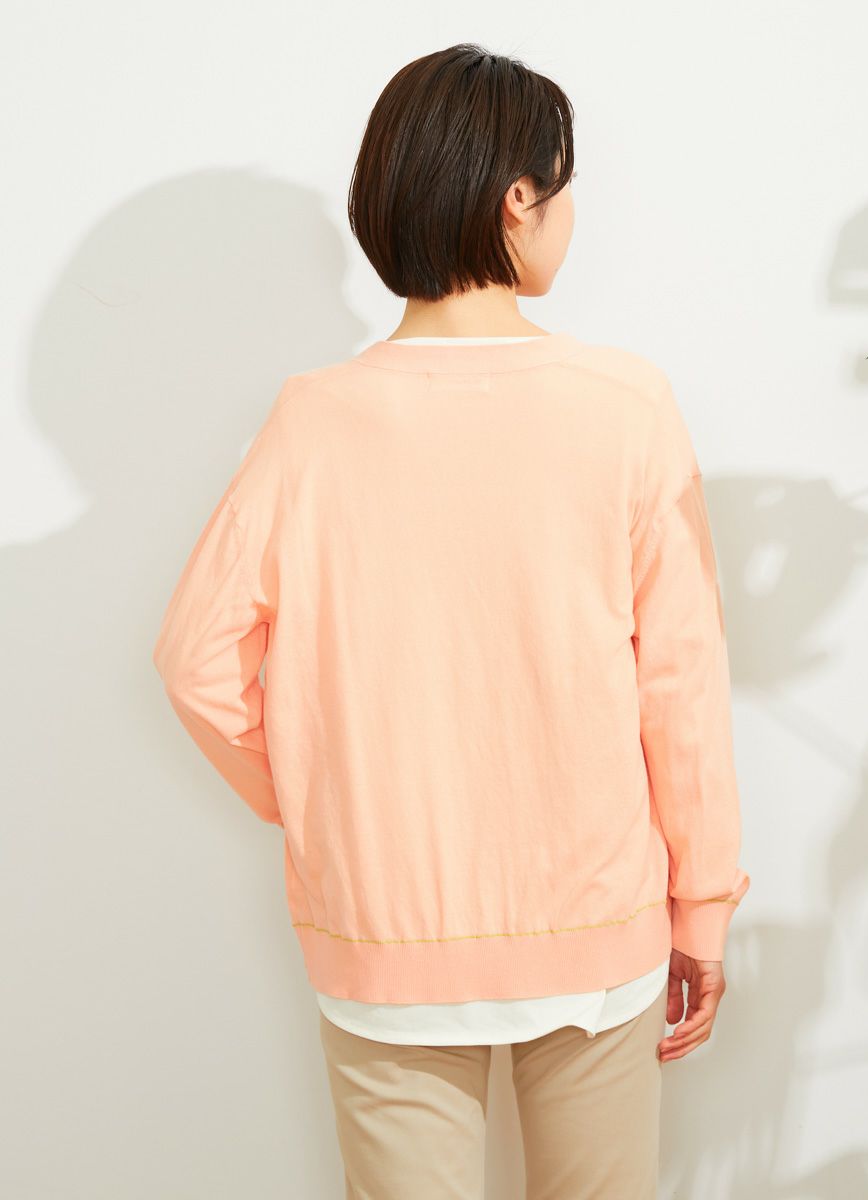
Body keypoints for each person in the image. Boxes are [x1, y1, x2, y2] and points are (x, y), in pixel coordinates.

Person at [151, 41, 750, 1200]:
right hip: (596, 923)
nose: (570, 214)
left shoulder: (312, 421)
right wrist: (704, 911)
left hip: (383, 931)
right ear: (519, 197)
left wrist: (321, 801)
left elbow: (193, 662)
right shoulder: (626, 406)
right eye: (564, 187)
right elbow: (682, 682)